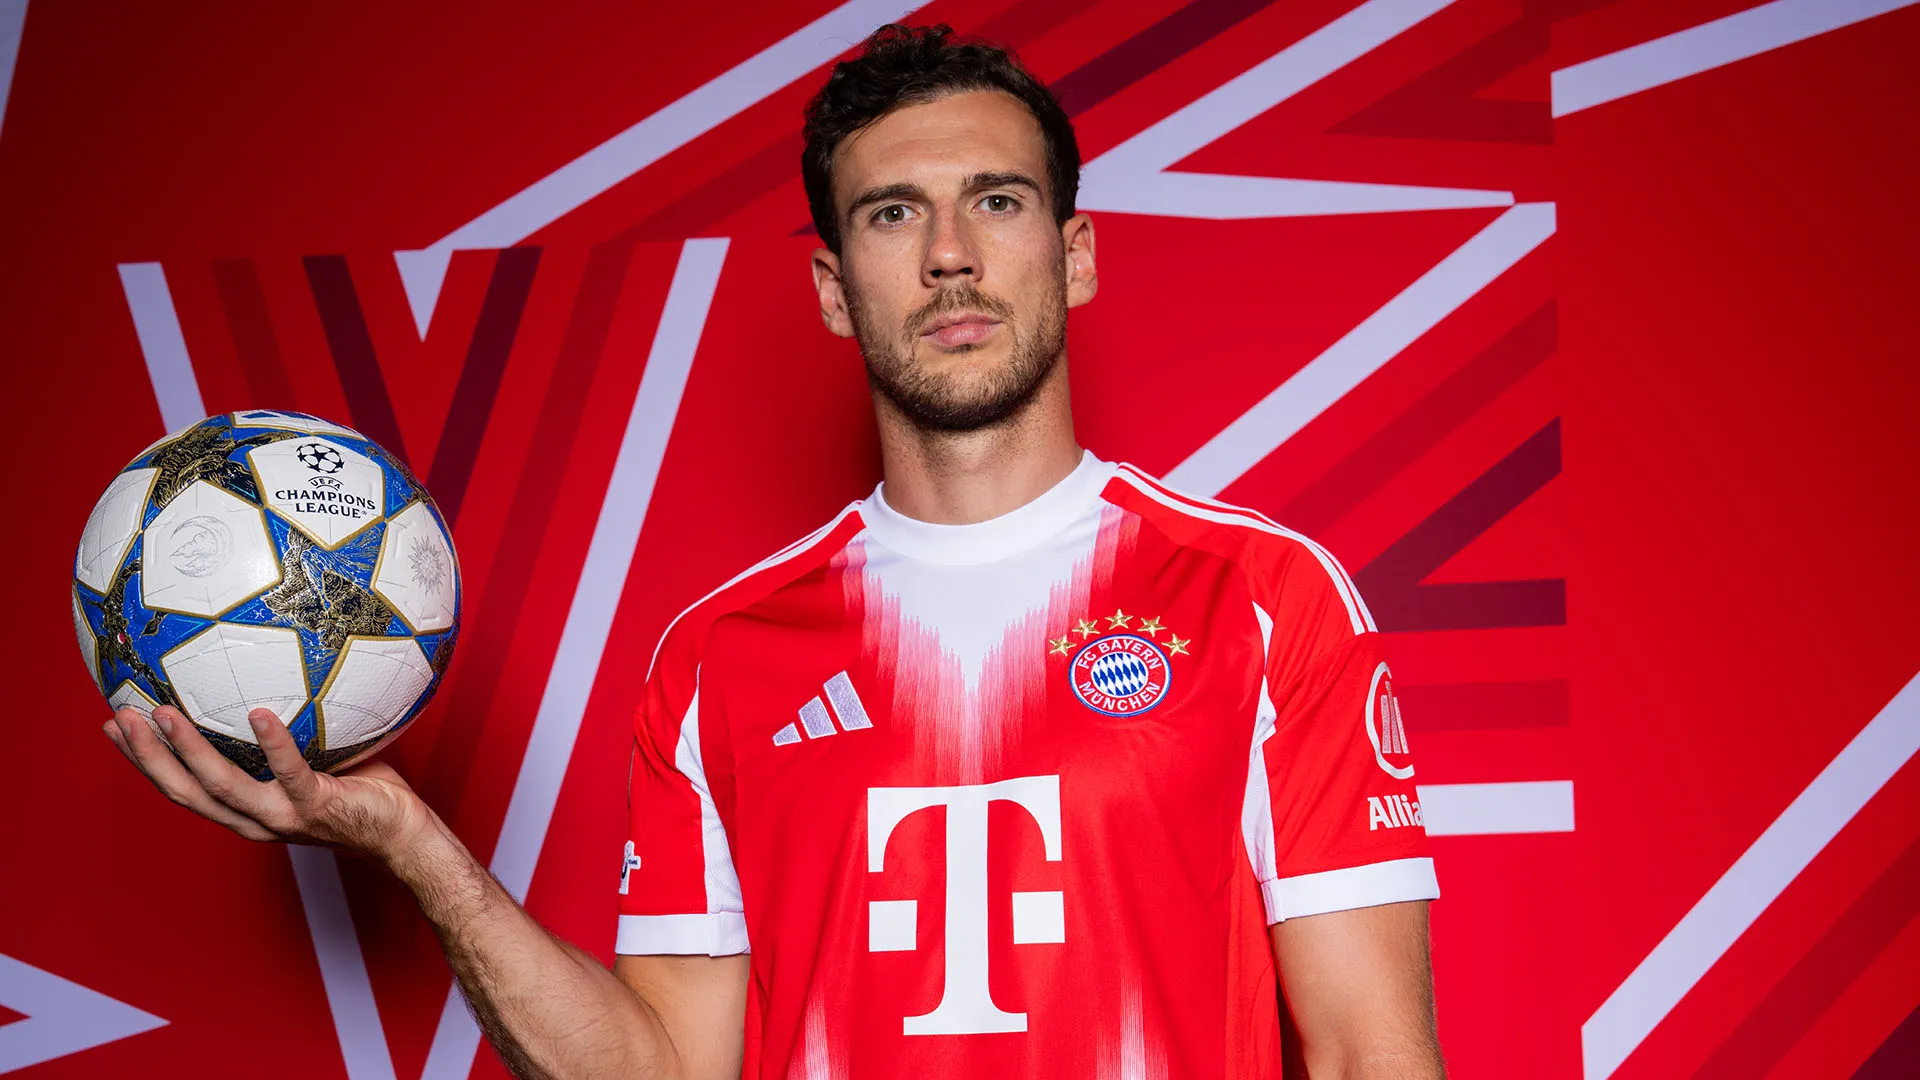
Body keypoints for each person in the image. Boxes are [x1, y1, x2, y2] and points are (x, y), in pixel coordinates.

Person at [104, 23, 1445, 1079]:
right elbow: (660, 1069)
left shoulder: (1262, 595)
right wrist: (414, 844)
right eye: (892, 214)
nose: (951, 256)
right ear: (832, 286)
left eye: (996, 201)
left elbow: (1370, 1054)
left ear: (1075, 254)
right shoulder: (717, 654)